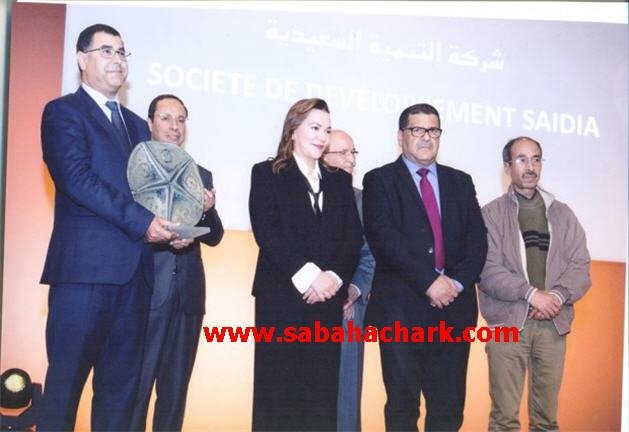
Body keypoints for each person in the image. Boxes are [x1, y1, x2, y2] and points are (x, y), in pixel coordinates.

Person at [39, 24, 177, 430]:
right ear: (81, 59)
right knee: (63, 394)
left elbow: (151, 191)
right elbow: (77, 179)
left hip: (136, 280)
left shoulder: (138, 126)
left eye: (121, 52)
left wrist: (179, 219)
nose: (117, 59)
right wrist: (144, 222)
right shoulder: (63, 112)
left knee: (120, 398)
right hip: (84, 277)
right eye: (106, 51)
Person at [362, 103, 487, 431]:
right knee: (402, 409)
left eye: (433, 130)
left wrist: (454, 284)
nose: (426, 137)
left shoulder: (460, 181)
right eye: (417, 129)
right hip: (401, 311)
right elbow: (384, 238)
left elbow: (477, 242)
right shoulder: (379, 180)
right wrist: (430, 281)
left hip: (454, 312)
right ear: (401, 136)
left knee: (449, 410)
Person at [249, 98, 362, 431]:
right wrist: (311, 276)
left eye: (326, 130)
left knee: (319, 397)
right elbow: (267, 231)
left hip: (326, 302)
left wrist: (334, 279)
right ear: (293, 129)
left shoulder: (339, 180)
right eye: (315, 128)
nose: (322, 137)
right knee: (277, 396)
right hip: (280, 300)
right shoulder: (267, 173)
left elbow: (352, 239)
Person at [478, 136, 591, 431]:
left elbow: (580, 266)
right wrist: (530, 294)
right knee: (504, 420)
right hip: (507, 324)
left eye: (536, 159)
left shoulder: (563, 214)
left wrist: (555, 296)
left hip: (553, 324)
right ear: (507, 167)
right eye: (522, 159)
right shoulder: (491, 214)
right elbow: (487, 270)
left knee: (546, 421)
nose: (530, 167)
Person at [130, 95, 224, 431]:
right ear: (150, 122)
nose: (175, 127)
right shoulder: (133, 168)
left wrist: (206, 211)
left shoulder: (200, 173)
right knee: (136, 391)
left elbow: (215, 236)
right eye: (166, 118)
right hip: (146, 293)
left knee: (174, 394)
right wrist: (160, 237)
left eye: (181, 120)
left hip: (188, 296)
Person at [322, 130, 375, 432]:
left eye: (352, 153)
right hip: (306, 306)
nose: (351, 160)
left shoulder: (362, 200)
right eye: (342, 153)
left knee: (346, 394)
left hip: (348, 311)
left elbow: (370, 256)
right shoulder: (303, 196)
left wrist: (352, 291)